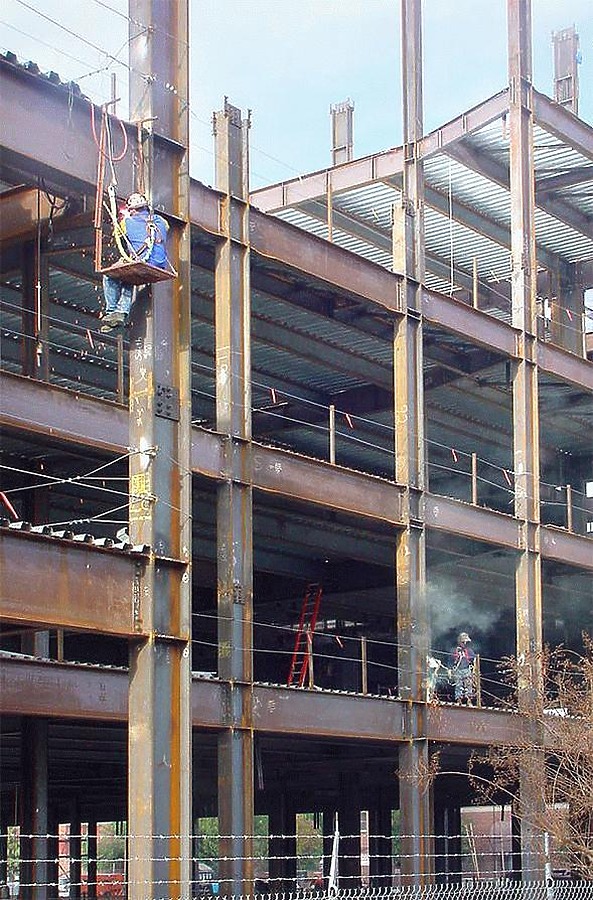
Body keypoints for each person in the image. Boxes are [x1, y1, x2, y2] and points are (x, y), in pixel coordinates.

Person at [100, 192, 169, 332]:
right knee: (128, 279)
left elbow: (117, 236)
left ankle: (111, 311)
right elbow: (165, 229)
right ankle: (120, 313)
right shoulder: (162, 221)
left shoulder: (127, 222)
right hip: (160, 264)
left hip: (142, 261)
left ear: (132, 209)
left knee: (109, 276)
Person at [449, 631, 476, 704]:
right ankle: (459, 699)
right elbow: (451, 660)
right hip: (458, 670)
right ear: (460, 642)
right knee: (458, 685)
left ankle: (469, 700)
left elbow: (474, 658)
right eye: (463, 642)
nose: (465, 644)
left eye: (465, 642)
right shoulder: (455, 650)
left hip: (467, 669)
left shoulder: (469, 651)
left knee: (468, 685)